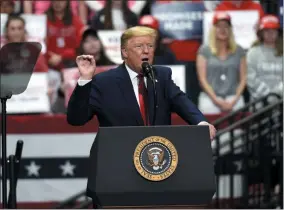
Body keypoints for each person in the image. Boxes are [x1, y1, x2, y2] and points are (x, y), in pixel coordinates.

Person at [66, 26, 216, 208]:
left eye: (150, 46)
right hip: (117, 175)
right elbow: (76, 119)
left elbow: (181, 101)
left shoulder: (161, 76)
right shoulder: (104, 82)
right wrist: (85, 81)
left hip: (157, 174)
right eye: (139, 46)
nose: (146, 51)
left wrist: (200, 122)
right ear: (124, 52)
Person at [196, 12, 247, 114]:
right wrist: (216, 100)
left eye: (226, 26)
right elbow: (202, 79)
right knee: (208, 129)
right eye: (219, 26)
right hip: (209, 99)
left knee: (239, 130)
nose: (223, 29)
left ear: (230, 29)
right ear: (214, 29)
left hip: (234, 98)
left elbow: (243, 78)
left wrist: (234, 100)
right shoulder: (204, 50)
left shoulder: (239, 50)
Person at [246, 14, 283, 101]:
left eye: (274, 30)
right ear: (261, 33)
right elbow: (250, 78)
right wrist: (267, 95)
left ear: (279, 33)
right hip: (258, 103)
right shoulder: (252, 53)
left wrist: (276, 94)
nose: (270, 33)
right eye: (267, 30)